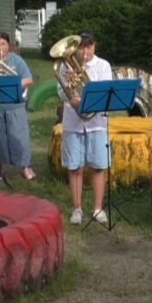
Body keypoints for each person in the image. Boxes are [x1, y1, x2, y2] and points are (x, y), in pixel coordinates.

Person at [58, 30, 113, 225]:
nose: (84, 51)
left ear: (94, 46)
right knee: (75, 168)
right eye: (81, 47)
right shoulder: (65, 66)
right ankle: (77, 209)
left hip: (97, 124)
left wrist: (82, 80)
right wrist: (69, 88)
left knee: (98, 167)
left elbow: (104, 91)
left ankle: (98, 208)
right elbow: (62, 92)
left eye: (88, 47)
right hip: (73, 122)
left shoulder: (103, 65)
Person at [0, 31, 35, 181]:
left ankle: (25, 167)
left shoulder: (17, 61)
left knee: (19, 136)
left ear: (8, 45)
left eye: (4, 44)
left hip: (14, 106)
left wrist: (13, 84)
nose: (1, 47)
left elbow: (29, 79)